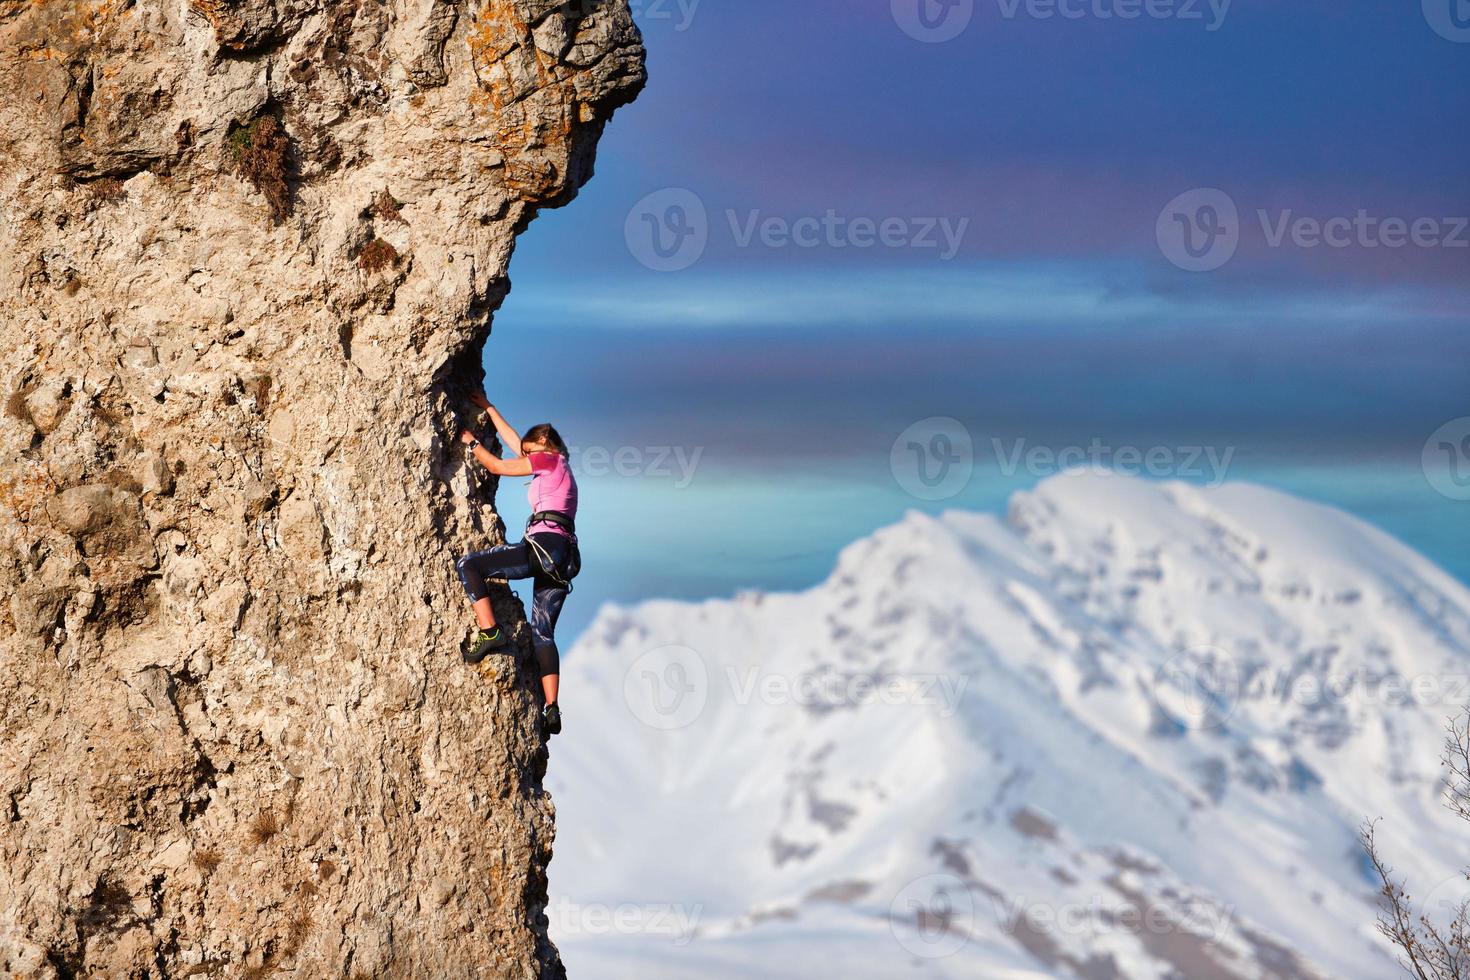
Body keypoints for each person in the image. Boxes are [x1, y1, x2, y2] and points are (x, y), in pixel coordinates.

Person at [454, 391, 580, 736]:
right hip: (563, 558)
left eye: (529, 448)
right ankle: (551, 707)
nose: (524, 454)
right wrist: (489, 408)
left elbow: (497, 464)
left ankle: (489, 631)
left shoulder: (549, 460)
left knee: (469, 565)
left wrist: (471, 443)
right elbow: (516, 444)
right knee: (543, 632)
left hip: (543, 546)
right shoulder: (558, 470)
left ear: (543, 442)